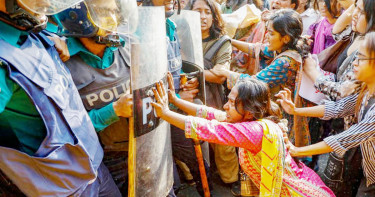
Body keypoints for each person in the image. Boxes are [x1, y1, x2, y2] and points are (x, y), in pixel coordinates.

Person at [0, 0, 120, 196]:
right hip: (61, 188)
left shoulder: (32, 28)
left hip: (94, 166)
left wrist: (51, 36)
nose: (47, 2)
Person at [150, 73, 335, 197]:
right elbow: (207, 113)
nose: (225, 107)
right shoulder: (249, 121)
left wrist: (165, 113)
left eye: (231, 102)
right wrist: (176, 100)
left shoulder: (255, 131)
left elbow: (211, 128)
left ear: (248, 110)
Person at [276, 31, 375, 196]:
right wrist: (295, 110)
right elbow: (337, 108)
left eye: (361, 58)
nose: (355, 63)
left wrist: (297, 151)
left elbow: (343, 139)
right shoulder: (366, 90)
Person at [213, 9, 312, 149]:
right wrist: (230, 41)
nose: (266, 37)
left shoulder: (286, 62)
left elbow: (254, 82)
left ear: (286, 38)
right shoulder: (286, 47)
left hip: (284, 115)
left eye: (271, 33)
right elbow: (256, 49)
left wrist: (225, 73)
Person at [142, 0, 211, 196]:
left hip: (176, 108)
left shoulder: (170, 25)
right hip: (155, 116)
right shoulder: (141, 27)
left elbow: (172, 68)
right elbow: (144, 78)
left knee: (198, 164)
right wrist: (177, 96)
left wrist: (184, 81)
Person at [191, 0, 240, 195]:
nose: (202, 17)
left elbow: (221, 74)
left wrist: (190, 73)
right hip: (188, 96)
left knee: (222, 140)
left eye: (207, 12)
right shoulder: (180, 36)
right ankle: (196, 176)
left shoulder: (222, 41)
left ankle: (231, 180)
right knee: (192, 137)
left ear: (214, 16)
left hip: (214, 97)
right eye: (197, 12)